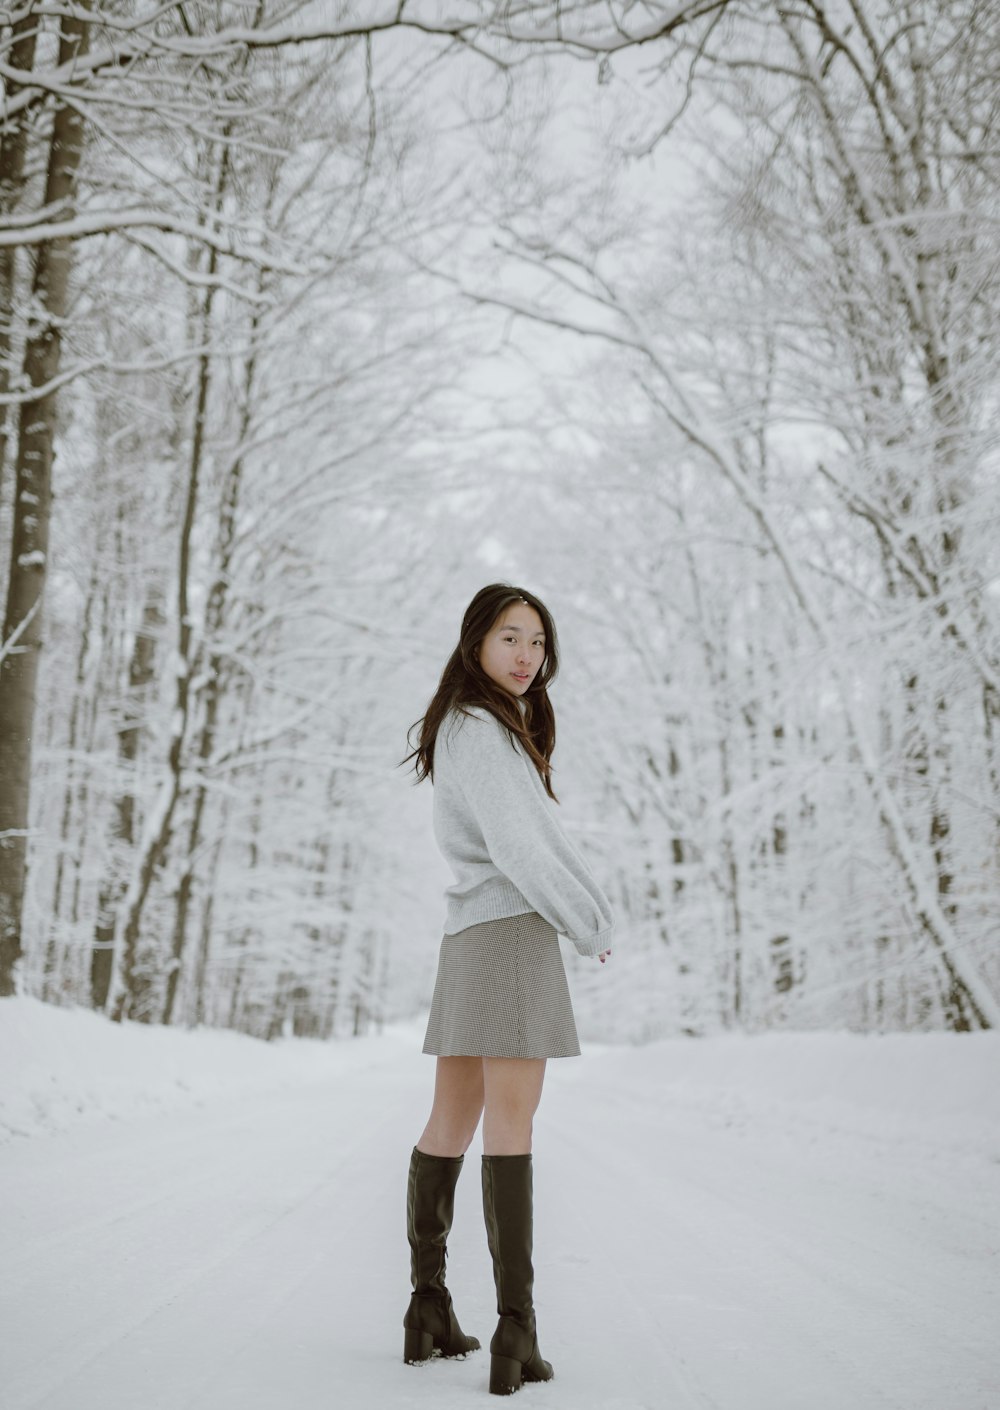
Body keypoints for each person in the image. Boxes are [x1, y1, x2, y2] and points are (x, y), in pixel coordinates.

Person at [400, 583, 614, 1396]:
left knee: (451, 1119)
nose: (528, 656)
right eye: (510, 639)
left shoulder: (466, 726)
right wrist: (587, 919)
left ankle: (428, 1306)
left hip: (467, 938)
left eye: (537, 642)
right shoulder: (483, 730)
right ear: (475, 645)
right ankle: (515, 1329)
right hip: (511, 933)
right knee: (512, 1125)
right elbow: (522, 846)